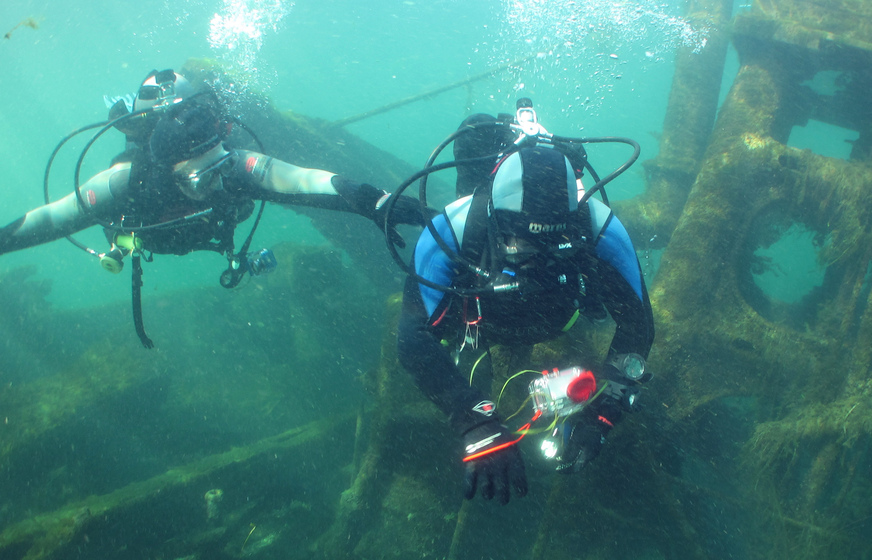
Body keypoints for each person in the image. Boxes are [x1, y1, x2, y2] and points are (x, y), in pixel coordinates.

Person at [0, 69, 422, 346]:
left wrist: (374, 202)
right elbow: (53, 217)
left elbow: (303, 180)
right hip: (142, 233)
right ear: (167, 171)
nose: (217, 184)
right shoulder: (126, 182)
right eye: (202, 179)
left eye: (220, 168)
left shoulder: (235, 166)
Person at [396, 109, 654, 504]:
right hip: (479, 322)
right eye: (521, 246)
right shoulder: (456, 228)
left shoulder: (598, 228)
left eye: (552, 247)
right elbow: (413, 340)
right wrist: (473, 420)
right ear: (493, 217)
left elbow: (638, 326)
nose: (534, 262)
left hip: (560, 319)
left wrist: (603, 416)